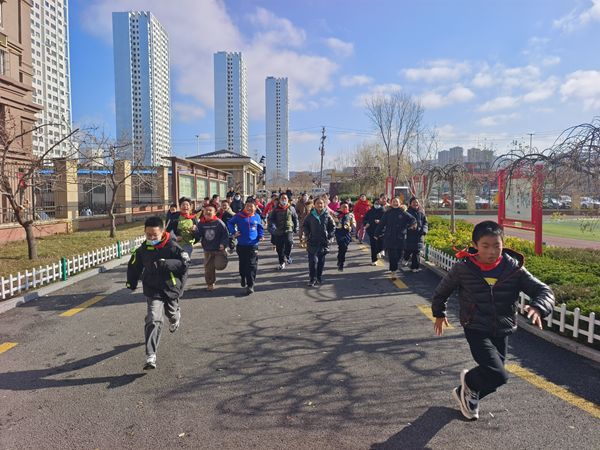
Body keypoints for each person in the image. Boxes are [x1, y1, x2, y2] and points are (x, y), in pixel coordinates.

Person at [432, 220, 554, 420]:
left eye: (497, 246)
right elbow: (441, 292)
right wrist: (439, 313)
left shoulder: (513, 269)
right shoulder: (464, 268)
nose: (491, 251)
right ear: (475, 245)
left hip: (503, 329)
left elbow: (543, 290)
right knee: (499, 374)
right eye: (485, 246)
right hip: (476, 327)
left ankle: (466, 392)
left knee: (495, 379)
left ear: (503, 244)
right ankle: (469, 382)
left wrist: (539, 307)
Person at [126, 216, 190, 370]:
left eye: (155, 235)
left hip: (170, 287)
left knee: (171, 313)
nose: (151, 238)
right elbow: (134, 266)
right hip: (152, 288)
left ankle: (175, 318)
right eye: (148, 235)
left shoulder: (172, 246)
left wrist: (165, 264)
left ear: (162, 232)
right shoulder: (143, 249)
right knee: (153, 318)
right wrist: (132, 283)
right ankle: (151, 355)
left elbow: (184, 265)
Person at [227, 198, 264, 295]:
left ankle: (250, 285)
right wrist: (234, 232)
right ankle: (243, 277)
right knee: (243, 264)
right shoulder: (239, 216)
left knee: (252, 265)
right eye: (247, 206)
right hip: (242, 245)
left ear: (255, 208)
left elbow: (260, 228)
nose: (249, 208)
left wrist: (260, 235)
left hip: (253, 245)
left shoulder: (257, 217)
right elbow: (230, 223)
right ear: (244, 207)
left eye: (251, 206)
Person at [374, 197, 416, 276]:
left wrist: (410, 226)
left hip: (400, 237)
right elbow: (381, 224)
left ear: (400, 203)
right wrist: (376, 234)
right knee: (392, 254)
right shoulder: (387, 212)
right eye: (393, 201)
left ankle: (395, 265)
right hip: (389, 237)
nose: (395, 203)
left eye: (396, 202)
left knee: (399, 254)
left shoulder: (403, 212)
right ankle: (393, 269)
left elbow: (413, 219)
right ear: (391, 203)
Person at [195, 205, 229, 291]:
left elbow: (225, 235)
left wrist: (223, 244)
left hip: (219, 249)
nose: (208, 212)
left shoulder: (219, 223)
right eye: (206, 210)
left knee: (219, 266)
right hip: (207, 250)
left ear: (215, 212)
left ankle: (223, 256)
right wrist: (194, 231)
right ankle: (210, 283)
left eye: (210, 210)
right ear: (203, 212)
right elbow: (198, 236)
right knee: (208, 269)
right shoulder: (201, 223)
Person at [303, 197, 335, 286]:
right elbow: (305, 225)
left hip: (323, 242)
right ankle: (312, 279)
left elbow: (333, 227)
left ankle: (319, 277)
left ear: (324, 204)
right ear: (314, 204)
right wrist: (307, 235)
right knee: (313, 262)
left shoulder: (327, 215)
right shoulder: (310, 215)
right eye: (317, 203)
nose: (319, 205)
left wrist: (330, 236)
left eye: (321, 203)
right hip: (312, 242)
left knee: (321, 262)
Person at [268, 193, 298, 270]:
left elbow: (295, 218)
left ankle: (287, 255)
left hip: (288, 229)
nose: (284, 200)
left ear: (288, 199)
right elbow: (271, 219)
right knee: (279, 248)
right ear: (280, 199)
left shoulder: (291, 208)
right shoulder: (276, 209)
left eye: (285, 198)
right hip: (278, 231)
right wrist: (273, 226)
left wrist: (295, 227)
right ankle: (282, 262)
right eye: (282, 198)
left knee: (289, 242)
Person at [403, 197, 429, 272]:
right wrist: (409, 227)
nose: (415, 203)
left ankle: (414, 267)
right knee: (408, 250)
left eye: (417, 202)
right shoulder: (406, 212)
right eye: (413, 202)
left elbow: (425, 223)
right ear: (410, 204)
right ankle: (406, 258)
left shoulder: (421, 213)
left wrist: (424, 230)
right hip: (409, 236)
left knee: (416, 252)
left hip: (419, 235)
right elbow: (403, 223)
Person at [363, 196, 386, 265]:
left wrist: (380, 221)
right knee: (373, 245)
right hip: (371, 230)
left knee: (381, 242)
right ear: (373, 203)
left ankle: (380, 250)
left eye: (378, 202)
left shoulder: (383, 211)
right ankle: (374, 260)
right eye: (376, 203)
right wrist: (366, 223)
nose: (377, 204)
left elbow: (386, 220)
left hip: (381, 231)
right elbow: (365, 219)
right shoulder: (370, 211)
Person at [334, 202, 356, 271]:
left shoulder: (350, 215)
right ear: (340, 207)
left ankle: (339, 258)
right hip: (339, 232)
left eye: (346, 207)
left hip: (347, 233)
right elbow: (332, 222)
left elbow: (354, 223)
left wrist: (352, 228)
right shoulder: (336, 214)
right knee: (342, 246)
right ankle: (341, 263)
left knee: (344, 248)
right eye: (343, 206)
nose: (345, 208)